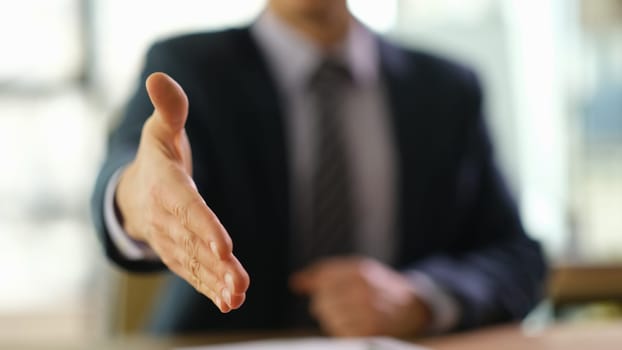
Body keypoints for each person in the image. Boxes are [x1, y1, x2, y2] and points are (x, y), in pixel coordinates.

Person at [91, 0, 546, 337]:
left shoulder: (446, 89)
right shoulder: (188, 68)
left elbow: (518, 258)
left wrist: (420, 298)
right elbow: (135, 167)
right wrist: (136, 199)